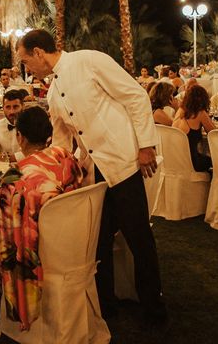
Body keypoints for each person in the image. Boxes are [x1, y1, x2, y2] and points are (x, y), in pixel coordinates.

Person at [16, 29, 166, 324]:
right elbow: (61, 142)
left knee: (139, 240)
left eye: (25, 61)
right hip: (93, 175)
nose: (26, 68)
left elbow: (135, 96)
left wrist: (146, 145)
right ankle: (105, 308)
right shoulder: (50, 93)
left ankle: (154, 309)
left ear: (38, 53)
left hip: (123, 163)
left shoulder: (89, 62)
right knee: (97, 245)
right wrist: (46, 171)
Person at [0, 106, 83, 330]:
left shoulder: (16, 177)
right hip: (74, 241)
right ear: (48, 133)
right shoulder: (66, 156)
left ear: (20, 137)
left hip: (39, 255)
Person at [172, 85, 215, 172]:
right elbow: (215, 133)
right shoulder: (200, 113)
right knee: (215, 161)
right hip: (191, 162)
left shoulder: (180, 110)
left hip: (175, 159)